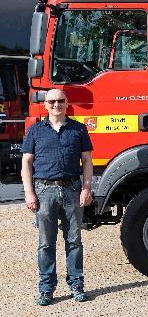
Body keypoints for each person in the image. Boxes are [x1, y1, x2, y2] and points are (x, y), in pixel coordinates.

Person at [21, 89, 93, 306]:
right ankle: (46, 289)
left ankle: (76, 285)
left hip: (72, 188)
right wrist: (29, 192)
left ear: (67, 103)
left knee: (74, 241)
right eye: (52, 101)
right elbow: (26, 163)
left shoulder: (78, 129)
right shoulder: (35, 131)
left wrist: (87, 188)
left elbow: (87, 162)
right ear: (45, 104)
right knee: (45, 243)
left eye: (60, 101)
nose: (56, 105)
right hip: (44, 191)